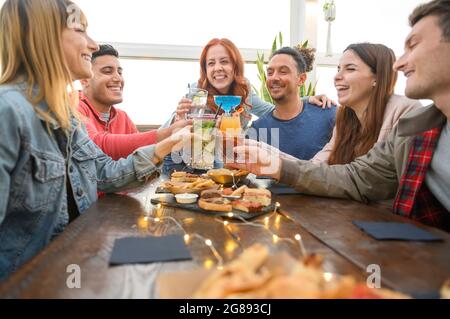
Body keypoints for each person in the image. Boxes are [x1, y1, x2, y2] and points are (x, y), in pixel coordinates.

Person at [0, 0, 191, 281]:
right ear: (45, 37)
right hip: (37, 280)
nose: (92, 44)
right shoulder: (8, 112)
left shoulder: (64, 115)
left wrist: (164, 147)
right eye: (82, 31)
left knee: (185, 247)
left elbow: (103, 174)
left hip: (76, 261)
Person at [230, 0, 450, 232]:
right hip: (369, 232)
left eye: (413, 45)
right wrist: (267, 159)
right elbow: (352, 176)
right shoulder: (411, 126)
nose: (400, 63)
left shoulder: (405, 114)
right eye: (337, 69)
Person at [164, 38, 334, 173]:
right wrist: (178, 120)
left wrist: (305, 99)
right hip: (182, 160)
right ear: (205, 69)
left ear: (235, 66)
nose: (217, 68)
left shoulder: (244, 92)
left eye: (224, 61)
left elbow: (272, 109)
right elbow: (174, 140)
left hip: (219, 163)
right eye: (211, 63)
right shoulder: (197, 94)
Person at [311, 43, 421, 164]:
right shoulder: (345, 118)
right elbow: (319, 162)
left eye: (350, 69)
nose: (337, 76)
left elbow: (378, 173)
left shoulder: (404, 110)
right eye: (338, 69)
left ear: (377, 77)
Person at [79, 44, 189, 160]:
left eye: (119, 72)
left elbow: (141, 156)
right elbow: (94, 145)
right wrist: (168, 133)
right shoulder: (73, 106)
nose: (118, 79)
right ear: (85, 79)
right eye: (107, 71)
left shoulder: (122, 117)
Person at [248, 47, 336, 160]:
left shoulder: (327, 114)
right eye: (270, 73)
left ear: (301, 79)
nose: (274, 77)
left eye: (283, 72)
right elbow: (233, 167)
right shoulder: (258, 128)